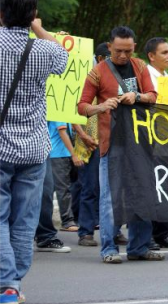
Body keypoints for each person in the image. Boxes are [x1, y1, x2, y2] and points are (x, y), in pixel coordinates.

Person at [0, 0, 68, 303]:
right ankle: (15, 282)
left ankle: (6, 284)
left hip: (0, 147)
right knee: (24, 219)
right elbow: (61, 54)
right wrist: (38, 28)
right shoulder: (45, 51)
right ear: (33, 16)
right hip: (34, 149)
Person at [77, 26, 163, 264]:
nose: (123, 56)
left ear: (134, 47)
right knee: (108, 199)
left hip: (140, 143)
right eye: (118, 51)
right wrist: (101, 107)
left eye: (128, 51)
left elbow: (153, 96)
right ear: (109, 46)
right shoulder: (97, 72)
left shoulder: (141, 67)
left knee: (142, 194)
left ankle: (139, 247)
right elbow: (82, 106)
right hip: (110, 144)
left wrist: (136, 97)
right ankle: (108, 249)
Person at [142, 37, 168, 249]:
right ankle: (146, 234)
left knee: (164, 187)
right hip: (150, 138)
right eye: (164, 52)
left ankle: (161, 232)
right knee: (150, 186)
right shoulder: (145, 76)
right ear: (151, 56)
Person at [72, 44, 107, 247]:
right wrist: (83, 135)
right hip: (88, 144)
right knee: (90, 188)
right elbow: (71, 112)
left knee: (110, 189)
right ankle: (85, 232)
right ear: (100, 59)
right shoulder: (84, 80)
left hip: (108, 143)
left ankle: (111, 229)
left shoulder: (113, 82)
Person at [34, 121, 84, 254]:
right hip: (56, 153)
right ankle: (67, 221)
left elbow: (73, 124)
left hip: (52, 152)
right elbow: (62, 132)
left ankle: (44, 234)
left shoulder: (62, 112)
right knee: (60, 190)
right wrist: (74, 154)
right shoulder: (58, 113)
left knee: (53, 191)